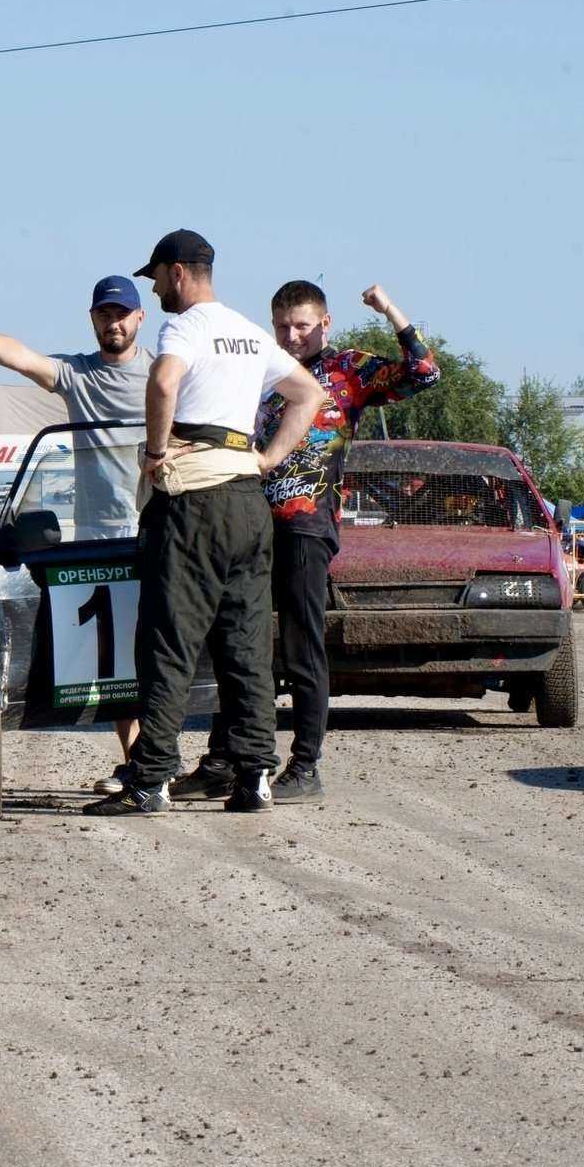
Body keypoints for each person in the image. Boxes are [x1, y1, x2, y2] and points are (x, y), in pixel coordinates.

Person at [84, 230, 325, 817]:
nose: (156, 287)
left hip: (192, 502)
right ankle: (254, 778)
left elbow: (163, 381)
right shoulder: (246, 330)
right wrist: (266, 460)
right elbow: (308, 394)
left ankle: (150, 780)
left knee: (168, 640)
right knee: (245, 646)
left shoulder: (185, 326)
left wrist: (156, 452)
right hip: (247, 500)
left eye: (157, 277)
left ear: (178, 273)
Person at [174, 280, 440, 805]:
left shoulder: (348, 370)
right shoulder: (261, 366)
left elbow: (424, 373)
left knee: (301, 648)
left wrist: (390, 310)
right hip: (246, 518)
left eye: (303, 326)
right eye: (283, 326)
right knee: (238, 645)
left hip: (306, 526)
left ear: (325, 323)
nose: (292, 336)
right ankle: (224, 761)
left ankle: (305, 764)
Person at [0, 275, 151, 793]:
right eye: (104, 314)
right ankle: (138, 761)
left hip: (158, 528)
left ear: (141, 318)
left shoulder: (165, 373)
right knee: (118, 652)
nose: (113, 322)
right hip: (102, 533)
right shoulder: (79, 375)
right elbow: (20, 357)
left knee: (165, 646)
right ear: (93, 318)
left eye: (122, 313)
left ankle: (180, 758)